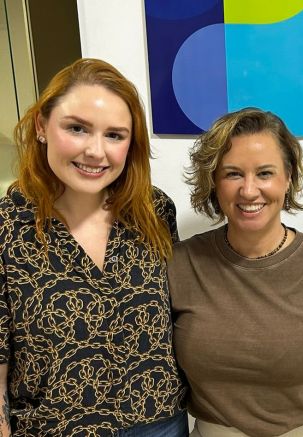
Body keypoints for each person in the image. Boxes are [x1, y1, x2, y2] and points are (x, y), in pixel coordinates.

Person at [0, 58, 187, 436]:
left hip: (160, 424)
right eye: (77, 128)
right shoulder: (8, 225)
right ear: (41, 126)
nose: (96, 151)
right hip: (55, 428)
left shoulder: (154, 210)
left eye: (114, 135)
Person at [168, 108, 303, 437]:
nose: (249, 190)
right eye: (233, 174)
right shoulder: (180, 265)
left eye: (264, 173)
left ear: (288, 177)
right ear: (214, 181)